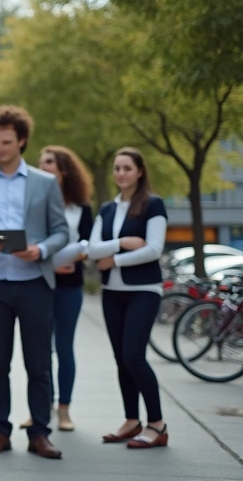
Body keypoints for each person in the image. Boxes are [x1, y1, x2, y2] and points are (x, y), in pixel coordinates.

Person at [0, 105, 68, 459]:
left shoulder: (45, 182)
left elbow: (61, 231)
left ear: (21, 141)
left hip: (35, 282)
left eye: (7, 142)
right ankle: (0, 430)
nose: (0, 148)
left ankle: (40, 432)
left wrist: (40, 250)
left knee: (39, 364)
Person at [85, 147, 169, 449]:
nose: (121, 173)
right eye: (117, 168)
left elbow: (154, 248)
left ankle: (157, 424)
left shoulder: (153, 205)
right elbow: (92, 249)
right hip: (113, 292)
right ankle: (132, 420)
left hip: (143, 290)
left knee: (134, 356)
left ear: (140, 172)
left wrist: (115, 260)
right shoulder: (107, 208)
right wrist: (122, 243)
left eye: (127, 168)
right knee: (121, 359)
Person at [33, 145, 94, 432]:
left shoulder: (81, 207)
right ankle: (41, 409)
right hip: (40, 283)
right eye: (41, 163)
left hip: (69, 284)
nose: (42, 167)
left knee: (64, 347)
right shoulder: (32, 203)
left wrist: (76, 258)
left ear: (63, 171)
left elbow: (89, 243)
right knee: (40, 350)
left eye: (49, 163)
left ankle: (64, 409)